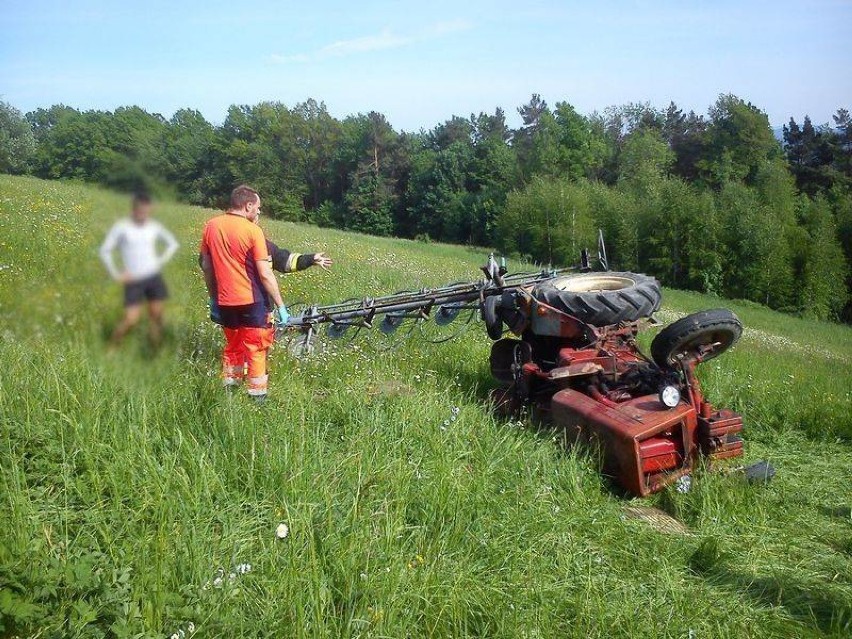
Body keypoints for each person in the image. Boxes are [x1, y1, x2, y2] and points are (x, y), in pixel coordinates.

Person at [200, 185, 292, 399]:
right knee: (256, 349)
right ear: (248, 205)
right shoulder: (253, 231)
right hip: (252, 301)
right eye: (258, 207)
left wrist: (213, 297)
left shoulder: (211, 226)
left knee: (233, 346)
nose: (259, 211)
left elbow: (206, 266)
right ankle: (257, 398)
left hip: (224, 301)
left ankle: (230, 392)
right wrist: (281, 306)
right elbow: (265, 273)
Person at [99, 192, 179, 348]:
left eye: (146, 211)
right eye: (140, 211)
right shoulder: (122, 227)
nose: (143, 214)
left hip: (154, 277)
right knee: (131, 319)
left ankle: (155, 351)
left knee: (156, 316)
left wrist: (159, 261)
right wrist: (116, 274)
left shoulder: (154, 226)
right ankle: (112, 347)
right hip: (133, 279)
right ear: (133, 210)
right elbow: (105, 250)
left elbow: (173, 244)